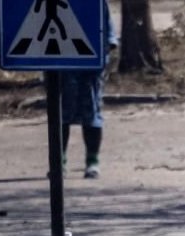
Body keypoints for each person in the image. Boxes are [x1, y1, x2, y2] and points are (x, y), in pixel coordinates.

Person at [49, 0, 117, 179]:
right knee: (60, 114)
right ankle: (59, 162)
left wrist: (100, 58)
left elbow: (108, 37)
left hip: (90, 69)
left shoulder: (96, 3)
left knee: (92, 114)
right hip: (61, 66)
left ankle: (92, 162)